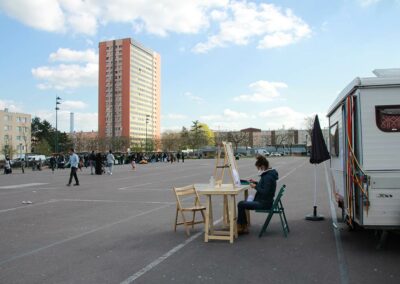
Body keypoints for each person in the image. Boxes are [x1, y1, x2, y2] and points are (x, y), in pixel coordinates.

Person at [237, 155, 278, 234]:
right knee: (243, 203)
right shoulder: (270, 174)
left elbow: (265, 192)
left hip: (264, 203)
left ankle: (242, 227)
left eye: (258, 168)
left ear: (262, 166)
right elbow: (265, 186)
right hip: (266, 201)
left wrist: (255, 187)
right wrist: (255, 182)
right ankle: (243, 226)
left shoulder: (268, 177)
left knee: (241, 204)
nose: (258, 170)